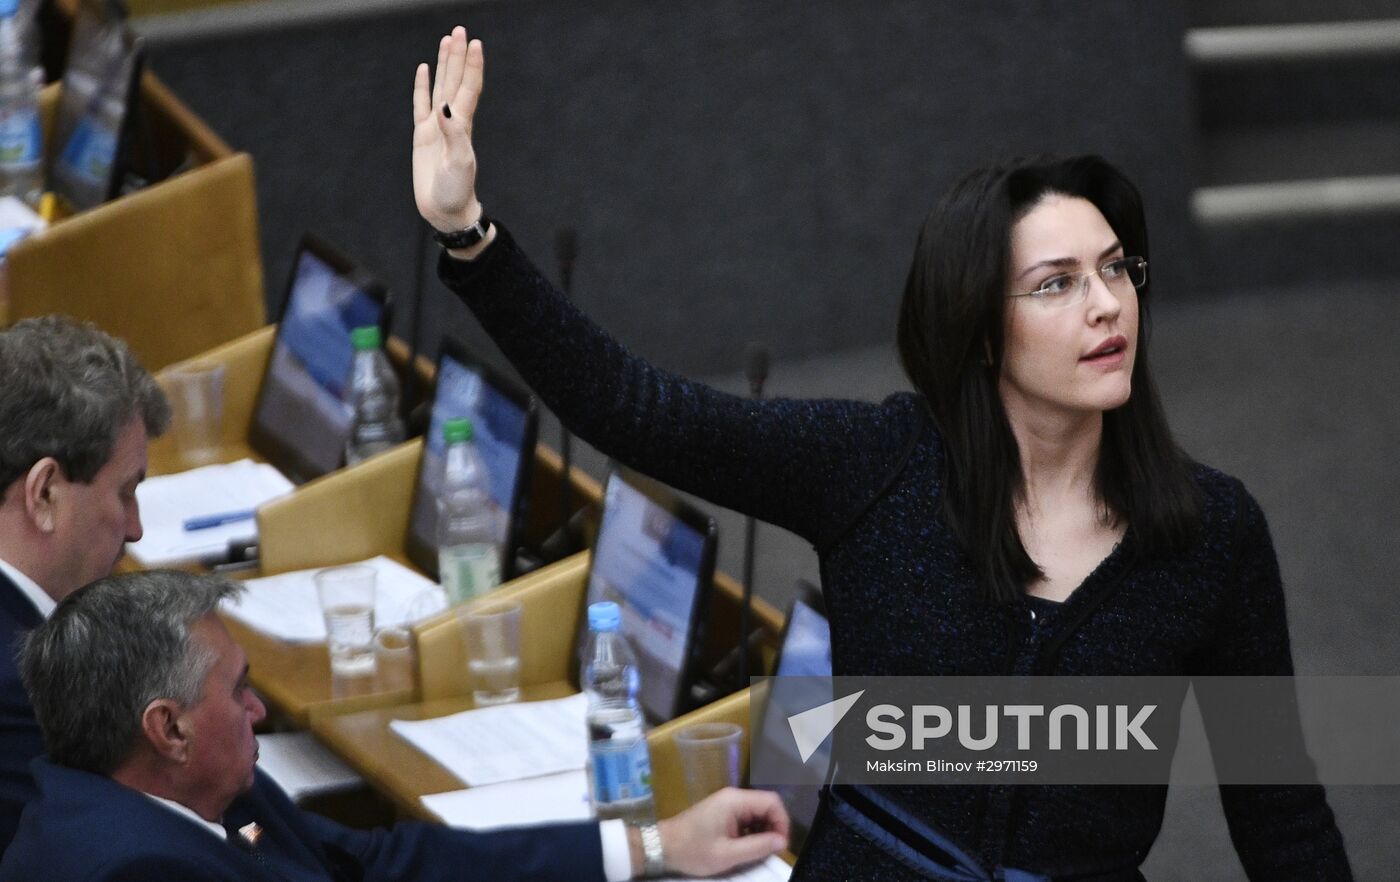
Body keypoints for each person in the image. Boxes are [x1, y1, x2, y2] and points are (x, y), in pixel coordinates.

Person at [410, 26, 1354, 881]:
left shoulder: (1211, 531)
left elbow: (1281, 816)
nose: (1107, 305)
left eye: (1116, 269)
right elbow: (640, 410)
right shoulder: (879, 466)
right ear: (981, 332)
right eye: (1058, 284)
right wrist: (471, 237)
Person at [1, 569, 789, 881]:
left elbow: (380, 861)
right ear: (167, 727)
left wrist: (656, 846)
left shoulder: (182, 789)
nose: (259, 709)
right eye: (237, 690)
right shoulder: (132, 871)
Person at [0, 315, 169, 853]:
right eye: (125, 492)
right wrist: (263, 848)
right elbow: (169, 845)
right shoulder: (28, 689)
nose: (136, 528)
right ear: (45, 494)